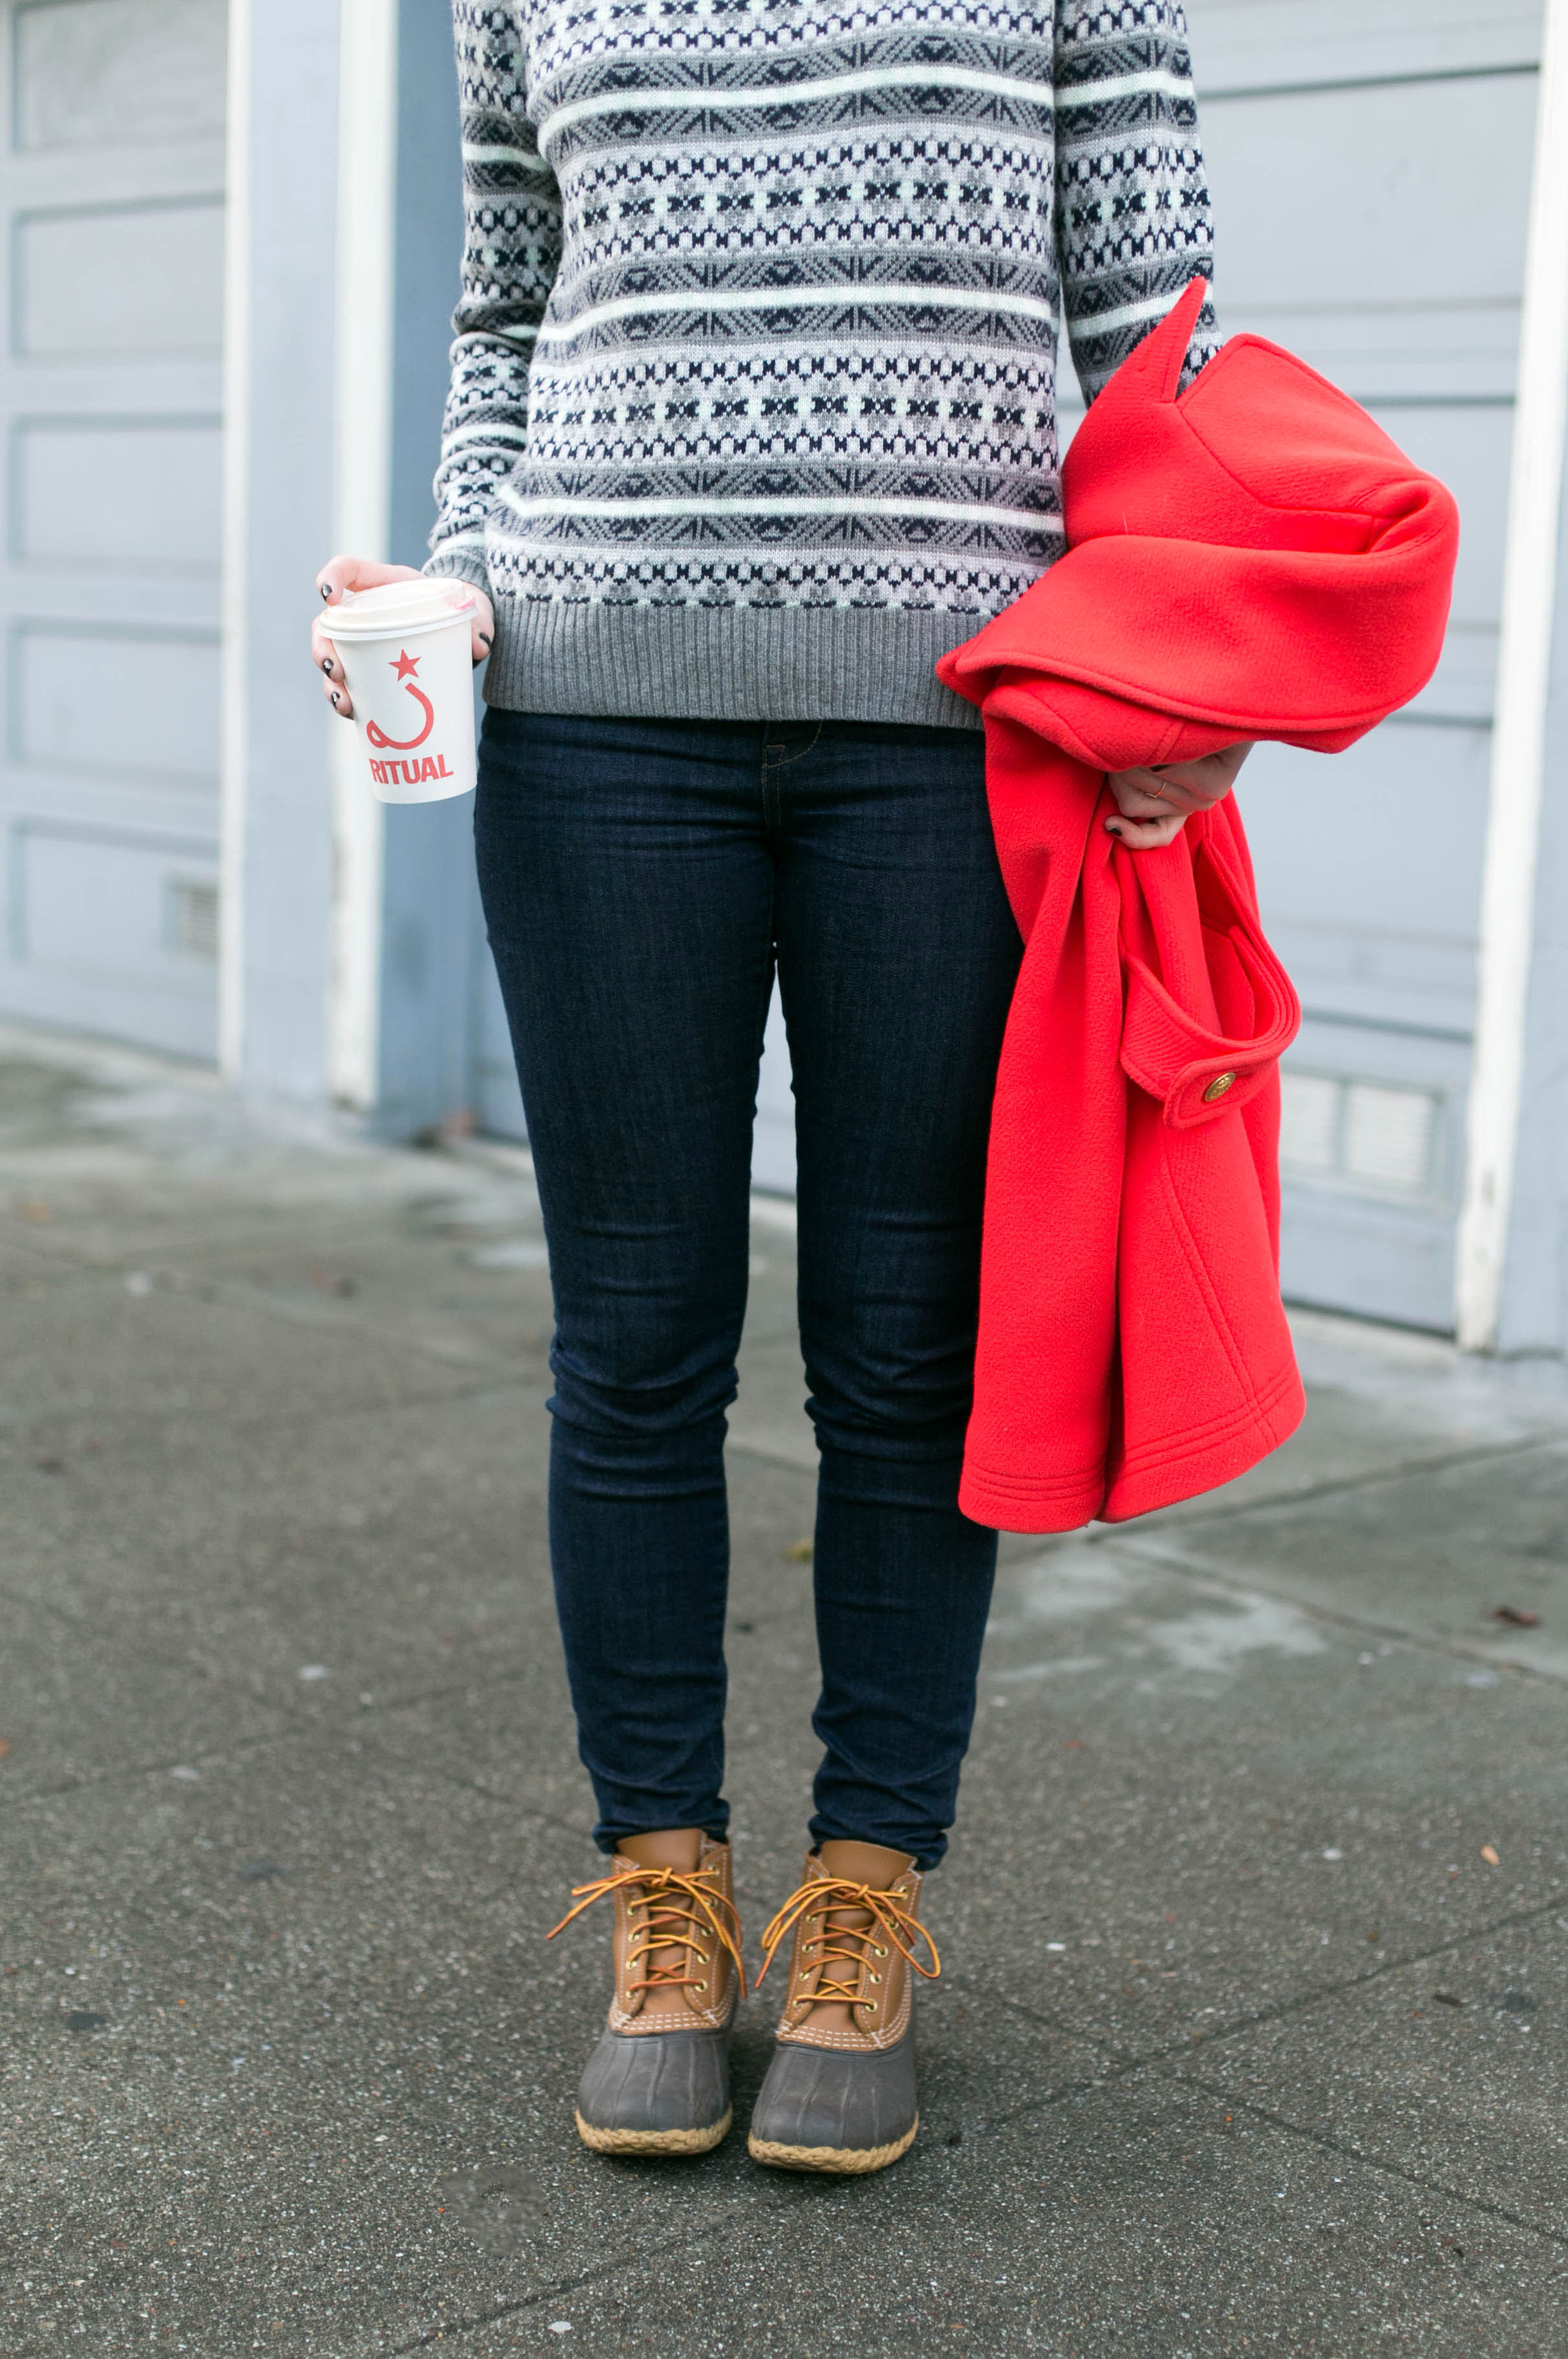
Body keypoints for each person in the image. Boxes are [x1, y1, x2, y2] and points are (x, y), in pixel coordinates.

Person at [311, 0, 1249, 2176]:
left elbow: (1161, 325)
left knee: (907, 1353)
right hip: (589, 720)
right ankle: (664, 1901)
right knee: (637, 1343)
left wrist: (1178, 652)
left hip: (958, 729)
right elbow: (507, 301)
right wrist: (459, 568)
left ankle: (865, 1899)